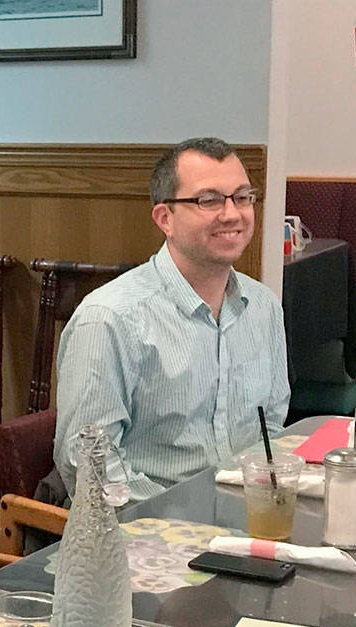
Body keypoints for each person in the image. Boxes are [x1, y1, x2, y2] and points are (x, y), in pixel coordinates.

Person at [53, 137, 291, 502]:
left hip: (245, 523)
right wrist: (183, 523)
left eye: (242, 197)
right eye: (209, 200)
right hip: (149, 535)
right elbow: (90, 467)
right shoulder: (110, 320)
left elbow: (270, 427)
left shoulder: (263, 307)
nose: (232, 214)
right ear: (165, 218)